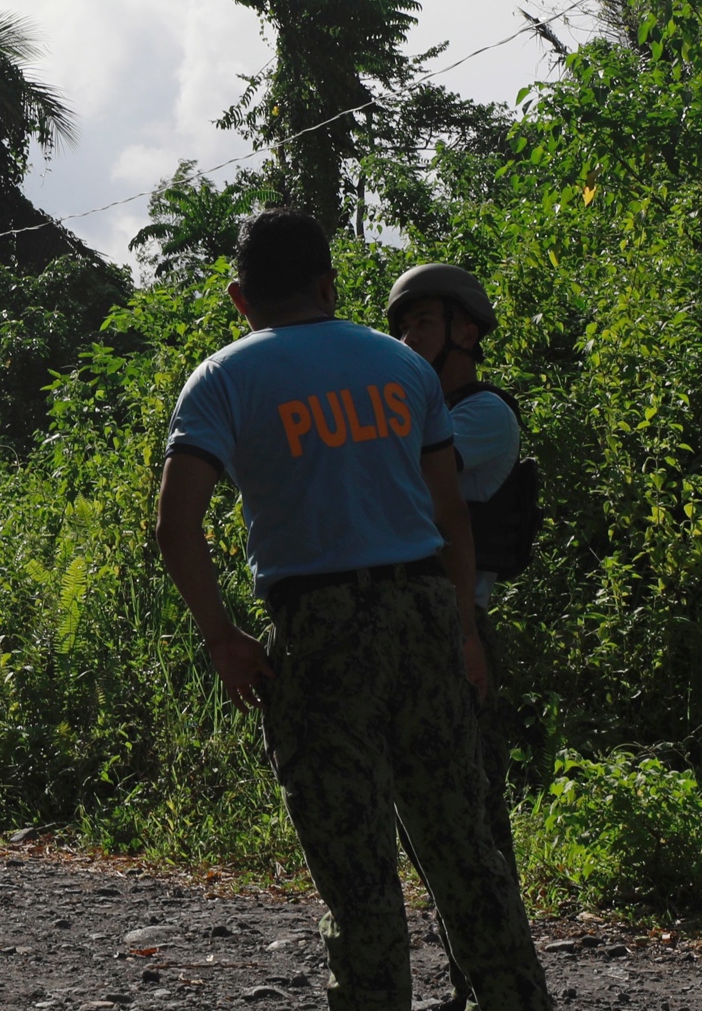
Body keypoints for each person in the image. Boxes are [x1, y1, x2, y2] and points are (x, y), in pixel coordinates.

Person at [153, 210, 550, 1011]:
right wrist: (465, 633)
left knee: (356, 869)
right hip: (426, 612)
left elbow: (175, 523)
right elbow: (451, 514)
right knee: (465, 850)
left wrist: (223, 638)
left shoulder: (222, 377)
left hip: (318, 627)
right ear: (330, 286)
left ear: (239, 298)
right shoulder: (401, 367)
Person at [388, 263, 523, 1011]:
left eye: (425, 323)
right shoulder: (417, 411)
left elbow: (404, 474)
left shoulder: (483, 414)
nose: (410, 338)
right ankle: (469, 980)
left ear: (466, 332)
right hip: (407, 628)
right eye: (403, 325)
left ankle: (503, 980)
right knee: (427, 825)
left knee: (474, 820)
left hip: (458, 627)